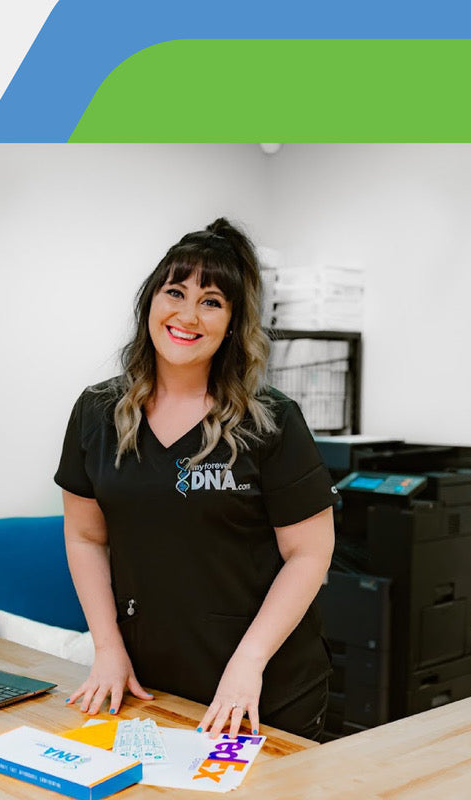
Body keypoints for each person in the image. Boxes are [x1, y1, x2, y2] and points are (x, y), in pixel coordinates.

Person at [54, 218, 338, 740]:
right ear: (149, 305)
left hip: (262, 686)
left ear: (232, 323)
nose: (187, 315)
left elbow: (311, 554)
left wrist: (248, 662)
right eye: (175, 292)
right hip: (149, 683)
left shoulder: (271, 421)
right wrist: (107, 649)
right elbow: (85, 536)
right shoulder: (97, 411)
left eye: (211, 301)